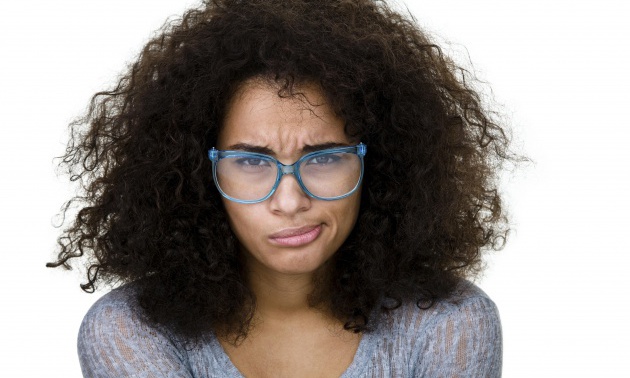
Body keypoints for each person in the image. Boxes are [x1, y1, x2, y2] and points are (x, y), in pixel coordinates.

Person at [48, 0, 513, 376]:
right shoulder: (130, 330)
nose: (290, 201)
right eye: (251, 161)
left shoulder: (451, 325)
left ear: (383, 162)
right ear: (195, 173)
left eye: (325, 157)